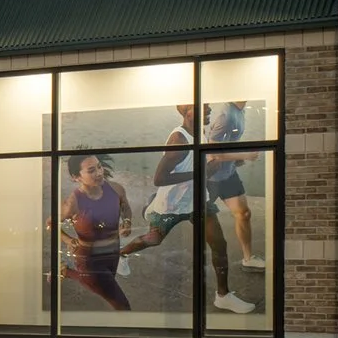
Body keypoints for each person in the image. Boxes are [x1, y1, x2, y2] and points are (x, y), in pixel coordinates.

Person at [121, 105, 255, 316]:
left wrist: (231, 162)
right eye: (202, 106)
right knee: (154, 239)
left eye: (207, 105)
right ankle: (121, 254)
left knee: (219, 244)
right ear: (186, 112)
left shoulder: (200, 132)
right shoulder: (179, 141)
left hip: (198, 200)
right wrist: (201, 172)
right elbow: (159, 179)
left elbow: (201, 165)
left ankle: (223, 296)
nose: (209, 108)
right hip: (172, 205)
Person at [58, 153, 134, 310]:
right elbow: (51, 224)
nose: (99, 173)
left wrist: (127, 221)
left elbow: (125, 207)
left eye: (99, 167)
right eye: (91, 170)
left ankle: (66, 272)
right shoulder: (72, 202)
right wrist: (68, 240)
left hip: (113, 253)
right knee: (122, 306)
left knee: (103, 287)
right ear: (76, 177)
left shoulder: (116, 189)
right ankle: (68, 272)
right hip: (89, 260)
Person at [205, 100, 267, 273]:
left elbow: (228, 142)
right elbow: (212, 153)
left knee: (243, 213)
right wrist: (244, 155)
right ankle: (157, 206)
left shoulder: (240, 110)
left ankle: (248, 259)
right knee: (184, 215)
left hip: (228, 175)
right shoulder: (225, 116)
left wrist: (236, 160)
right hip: (210, 178)